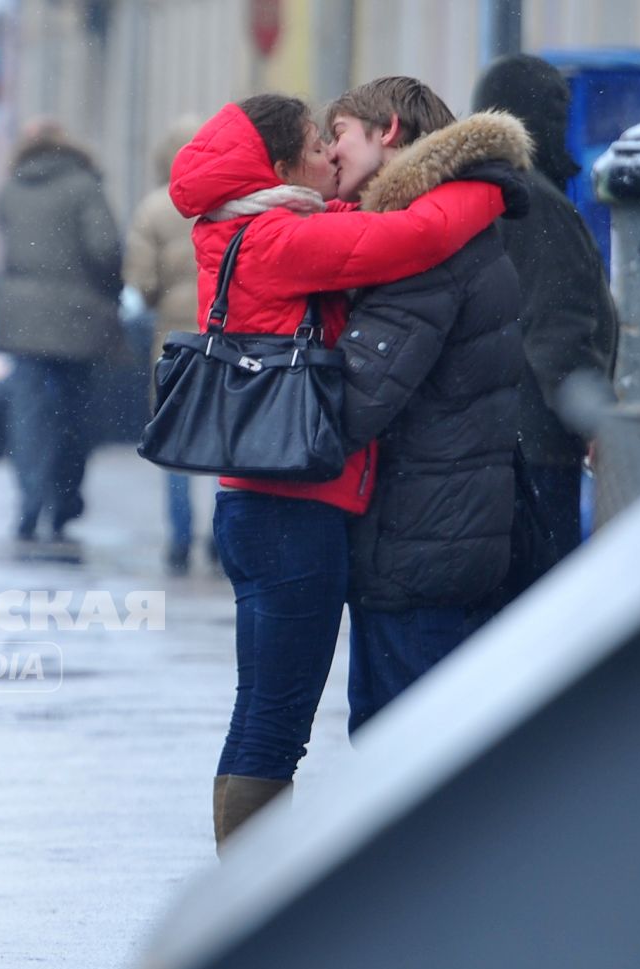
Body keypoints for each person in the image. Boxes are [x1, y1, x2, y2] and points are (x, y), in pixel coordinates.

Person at [166, 95, 508, 846]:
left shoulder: (244, 229)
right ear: (281, 166)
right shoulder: (276, 237)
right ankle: (249, 902)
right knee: (274, 722)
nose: (330, 157)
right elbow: (413, 238)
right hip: (292, 512)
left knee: (266, 710)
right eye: (318, 145)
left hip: (262, 506)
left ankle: (246, 895)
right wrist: (490, 179)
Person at [322, 78, 532, 730]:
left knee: (398, 746)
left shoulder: (423, 242)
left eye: (339, 135)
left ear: (388, 131)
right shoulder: (455, 221)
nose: (330, 155)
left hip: (418, 538)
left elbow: (359, 398)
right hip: (449, 525)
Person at [470, 54, 618, 598]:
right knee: (542, 607)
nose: (565, 125)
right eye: (556, 109)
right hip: (539, 449)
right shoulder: (536, 203)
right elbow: (559, 331)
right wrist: (597, 423)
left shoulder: (488, 192)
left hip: (495, 439)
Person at [0, 121, 125, 555]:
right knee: (74, 414)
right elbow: (105, 249)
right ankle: (65, 501)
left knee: (27, 416)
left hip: (22, 316)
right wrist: (109, 289)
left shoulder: (11, 189)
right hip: (77, 315)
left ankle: (30, 500)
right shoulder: (84, 186)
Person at [124, 114, 210, 573]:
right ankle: (219, 535)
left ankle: (180, 535)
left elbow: (142, 283)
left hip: (173, 338)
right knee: (225, 432)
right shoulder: (234, 200)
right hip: (225, 332)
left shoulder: (155, 208)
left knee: (174, 434)